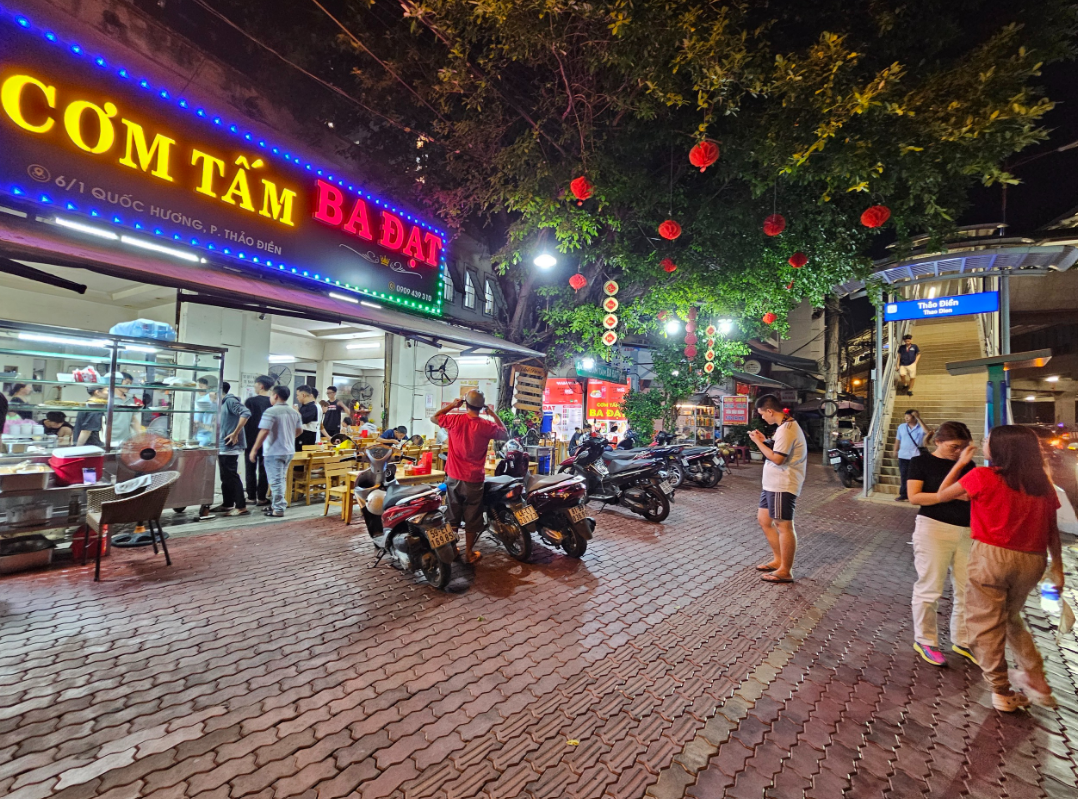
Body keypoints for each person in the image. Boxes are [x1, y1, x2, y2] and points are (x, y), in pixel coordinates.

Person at [928, 425, 1063, 712]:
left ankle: (1000, 690)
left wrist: (961, 464)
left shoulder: (982, 476)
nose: (983, 442)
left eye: (987, 440)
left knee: (984, 626)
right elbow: (1052, 529)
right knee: (1011, 618)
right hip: (1032, 560)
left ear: (1003, 448)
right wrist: (1058, 568)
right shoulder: (1042, 483)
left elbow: (941, 495)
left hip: (992, 557)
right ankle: (1036, 678)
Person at [906, 421, 977, 667]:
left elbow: (969, 495)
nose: (959, 452)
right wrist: (945, 493)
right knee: (930, 587)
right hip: (933, 528)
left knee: (967, 587)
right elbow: (915, 497)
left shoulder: (970, 465)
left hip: (967, 530)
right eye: (954, 447)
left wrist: (944, 494)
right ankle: (926, 640)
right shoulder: (921, 462)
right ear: (938, 441)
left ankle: (963, 640)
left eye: (964, 447)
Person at [432, 390, 508, 564]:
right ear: (482, 408)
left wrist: (452, 405)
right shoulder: (486, 425)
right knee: (473, 516)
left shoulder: (454, 419)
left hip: (453, 476)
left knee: (453, 513)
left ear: (465, 404)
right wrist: (493, 414)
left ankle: (452, 549)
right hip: (474, 479)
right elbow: (504, 433)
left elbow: (434, 418)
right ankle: (469, 552)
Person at [749, 394, 808, 584]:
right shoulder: (784, 428)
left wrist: (758, 443)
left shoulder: (787, 429)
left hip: (783, 484)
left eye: (762, 414)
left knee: (784, 526)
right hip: (772, 484)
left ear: (769, 411)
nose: (762, 418)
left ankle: (785, 570)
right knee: (764, 520)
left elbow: (777, 458)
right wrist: (765, 440)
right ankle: (778, 560)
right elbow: (776, 451)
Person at [249, 386, 303, 518]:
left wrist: (254, 449)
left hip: (274, 452)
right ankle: (276, 505)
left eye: (271, 395)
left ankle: (278, 509)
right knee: (281, 479)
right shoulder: (294, 412)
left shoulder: (271, 411)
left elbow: (264, 431)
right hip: (288, 451)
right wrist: (288, 438)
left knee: (275, 481)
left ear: (275, 396)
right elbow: (300, 430)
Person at [209, 381, 251, 517]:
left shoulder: (230, 401)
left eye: (211, 391)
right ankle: (227, 503)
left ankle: (241, 506)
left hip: (230, 446)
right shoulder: (221, 404)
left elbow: (246, 413)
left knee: (231, 476)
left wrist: (235, 432)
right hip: (222, 445)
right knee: (225, 476)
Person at [244, 375, 274, 506]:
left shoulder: (250, 401)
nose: (254, 387)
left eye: (255, 384)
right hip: (268, 440)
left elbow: (245, 420)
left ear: (261, 386)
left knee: (250, 468)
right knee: (264, 469)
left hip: (251, 439)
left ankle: (251, 497)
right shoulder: (272, 402)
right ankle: (262, 497)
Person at [894, 409, 928, 502]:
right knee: (904, 475)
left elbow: (927, 432)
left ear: (914, 417)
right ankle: (904, 494)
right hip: (903, 455)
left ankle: (915, 493)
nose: (906, 418)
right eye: (905, 417)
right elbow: (898, 439)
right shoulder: (901, 427)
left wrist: (919, 418)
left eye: (908, 417)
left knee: (915, 476)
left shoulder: (920, 427)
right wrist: (895, 450)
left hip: (916, 456)